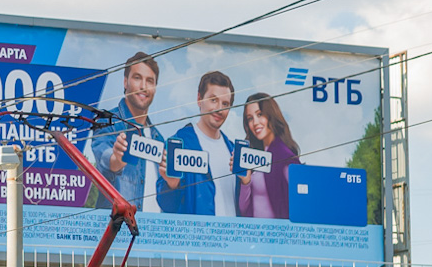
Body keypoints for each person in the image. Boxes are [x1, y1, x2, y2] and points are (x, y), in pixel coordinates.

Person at [90, 51, 166, 213]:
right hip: (119, 232)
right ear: (126, 82)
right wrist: (117, 159)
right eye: (137, 78)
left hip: (153, 233)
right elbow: (105, 160)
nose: (143, 86)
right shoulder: (107, 122)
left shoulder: (158, 139)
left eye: (150, 81)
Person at [158, 70, 239, 217]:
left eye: (225, 103)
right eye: (213, 100)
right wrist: (171, 185)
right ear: (199, 99)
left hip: (231, 238)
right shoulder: (179, 145)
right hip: (199, 237)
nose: (219, 109)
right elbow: (166, 206)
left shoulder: (233, 151)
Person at [236, 92, 301, 219]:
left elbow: (297, 210)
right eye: (250, 118)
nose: (255, 123)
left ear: (271, 114)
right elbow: (244, 210)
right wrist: (245, 182)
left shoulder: (286, 159)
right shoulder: (253, 155)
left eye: (259, 114)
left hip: (275, 236)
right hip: (253, 235)